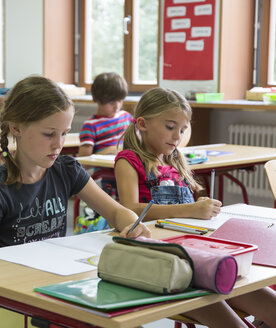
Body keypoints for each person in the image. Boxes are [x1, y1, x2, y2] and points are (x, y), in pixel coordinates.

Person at [0, 75, 151, 328]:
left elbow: (117, 213)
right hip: (10, 300)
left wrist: (132, 223)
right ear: (16, 127)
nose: (58, 144)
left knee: (128, 322)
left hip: (59, 286)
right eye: (49, 134)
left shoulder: (66, 170)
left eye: (65, 133)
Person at [115, 87, 276, 327]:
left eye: (182, 129)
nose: (177, 136)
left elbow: (184, 211)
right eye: (170, 127)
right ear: (142, 123)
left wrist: (198, 206)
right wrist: (188, 209)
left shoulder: (174, 161)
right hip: (161, 261)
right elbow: (130, 211)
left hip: (191, 248)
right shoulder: (129, 161)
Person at [78, 72, 132, 198]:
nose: (117, 106)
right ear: (97, 100)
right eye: (112, 103)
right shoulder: (90, 125)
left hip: (130, 169)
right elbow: (83, 162)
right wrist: (109, 151)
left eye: (120, 100)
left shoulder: (126, 117)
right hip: (107, 177)